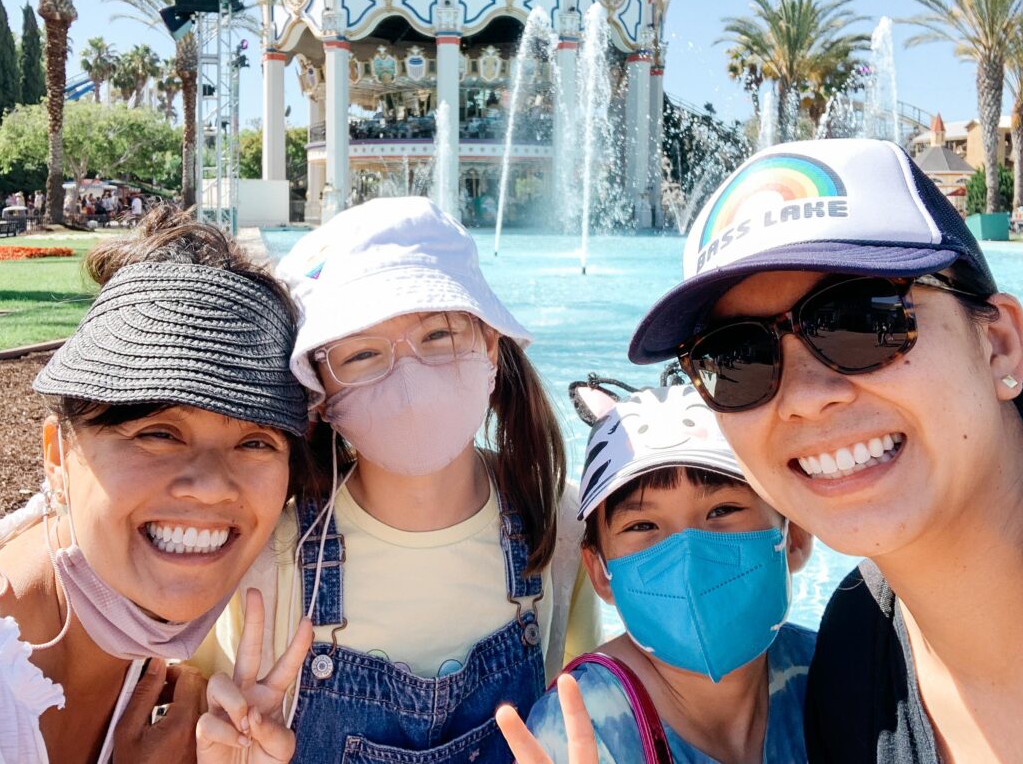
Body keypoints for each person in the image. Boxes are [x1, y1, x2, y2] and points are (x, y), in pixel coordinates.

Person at [628, 138, 1023, 763]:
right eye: (737, 358)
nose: (805, 398)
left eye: (862, 321)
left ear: (999, 344)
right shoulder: (850, 664)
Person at [196, 196, 600, 762]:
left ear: (490, 343)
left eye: (437, 335)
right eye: (361, 354)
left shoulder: (555, 524)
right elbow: (209, 714)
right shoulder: (269, 559)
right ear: (321, 394)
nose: (408, 378)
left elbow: (582, 716)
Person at [0, 208, 314, 764]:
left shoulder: (147, 657)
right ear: (56, 455)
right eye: (158, 433)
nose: (213, 487)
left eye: (256, 442)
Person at [497, 381, 816, 763]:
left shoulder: (842, 671)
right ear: (599, 572)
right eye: (643, 526)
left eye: (722, 511)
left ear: (795, 533)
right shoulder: (579, 728)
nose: (687, 555)